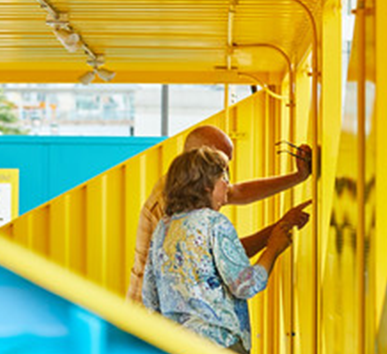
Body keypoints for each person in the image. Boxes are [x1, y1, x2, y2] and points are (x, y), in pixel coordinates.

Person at [141, 148, 309, 354]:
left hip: (177, 350)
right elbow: (245, 285)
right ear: (205, 185)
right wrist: (274, 249)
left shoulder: (163, 229)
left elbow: (149, 297)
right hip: (221, 348)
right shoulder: (214, 222)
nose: (228, 185)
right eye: (223, 177)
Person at [127, 125, 312, 302]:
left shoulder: (188, 190)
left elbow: (238, 192)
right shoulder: (181, 211)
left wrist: (298, 177)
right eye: (222, 170)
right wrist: (274, 241)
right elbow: (241, 278)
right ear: (201, 163)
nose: (227, 179)